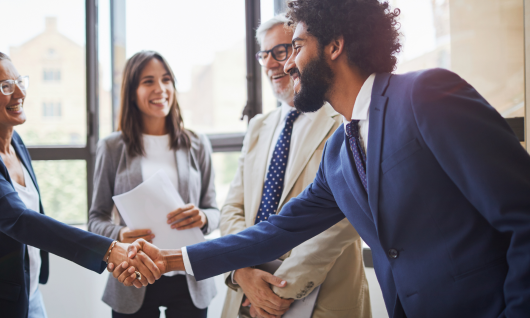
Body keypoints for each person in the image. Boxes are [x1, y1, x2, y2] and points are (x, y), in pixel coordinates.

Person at [112, 1, 530, 317]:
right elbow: (276, 231)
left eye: (295, 47)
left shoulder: (425, 95)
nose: (287, 63)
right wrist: (172, 259)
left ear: (335, 44)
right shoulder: (339, 153)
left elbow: (523, 213)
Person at [0, 51, 147, 318]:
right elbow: (19, 220)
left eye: (19, 82)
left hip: (26, 291)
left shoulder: (15, 142)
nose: (18, 94)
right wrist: (108, 250)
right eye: (4, 86)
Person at [219, 14, 370, 318]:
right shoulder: (259, 126)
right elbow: (232, 209)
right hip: (247, 297)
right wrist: (242, 272)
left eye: (282, 50)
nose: (273, 63)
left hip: (322, 300)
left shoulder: (342, 118)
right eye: (265, 55)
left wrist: (278, 289)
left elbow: (345, 218)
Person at [88, 50, 219, 318]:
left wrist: (203, 217)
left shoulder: (197, 143)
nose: (160, 89)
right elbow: (95, 220)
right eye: (148, 81)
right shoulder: (112, 147)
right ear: (132, 92)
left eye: (166, 79)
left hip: (188, 275)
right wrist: (120, 235)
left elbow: (215, 211)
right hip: (133, 274)